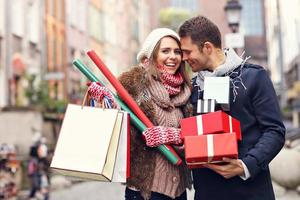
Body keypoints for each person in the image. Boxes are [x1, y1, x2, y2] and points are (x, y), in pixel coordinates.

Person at [178, 15, 286, 200]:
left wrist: (245, 165)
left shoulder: (254, 77)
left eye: (188, 52)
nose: (183, 58)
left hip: (251, 192)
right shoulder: (191, 87)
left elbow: (274, 131)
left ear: (207, 48)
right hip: (207, 193)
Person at [88, 28, 193, 200]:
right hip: (145, 192)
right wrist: (107, 103)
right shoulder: (137, 88)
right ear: (150, 56)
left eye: (177, 52)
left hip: (179, 192)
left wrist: (174, 136)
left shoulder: (187, 92)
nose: (173, 56)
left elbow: (195, 140)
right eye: (165, 51)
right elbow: (123, 129)